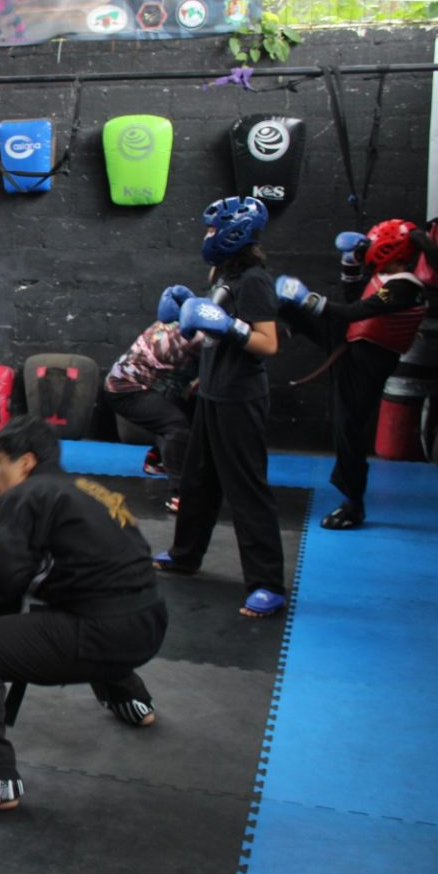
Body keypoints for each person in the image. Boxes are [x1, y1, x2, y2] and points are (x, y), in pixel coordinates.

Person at [0, 415, 167, 811]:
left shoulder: (25, 496)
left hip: (104, 633)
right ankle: (132, 700)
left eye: (0, 462)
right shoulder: (88, 489)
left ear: (26, 462)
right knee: (77, 597)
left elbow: (0, 587)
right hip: (150, 624)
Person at [153, 196, 288, 619]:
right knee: (198, 482)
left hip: (240, 397)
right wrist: (189, 308)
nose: (207, 236)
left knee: (246, 489)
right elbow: (212, 324)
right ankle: (186, 554)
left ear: (234, 233)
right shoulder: (224, 275)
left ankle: (267, 584)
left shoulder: (254, 280)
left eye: (213, 230)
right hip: (213, 392)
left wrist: (228, 326)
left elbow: (267, 343)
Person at [274, 222, 428, 530]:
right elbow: (356, 299)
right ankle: (280, 331)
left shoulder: (407, 286)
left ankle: (353, 505)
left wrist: (309, 300)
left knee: (349, 428)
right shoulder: (388, 278)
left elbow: (356, 311)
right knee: (286, 304)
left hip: (370, 361)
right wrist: (350, 266)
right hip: (353, 345)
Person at [101, 313, 204, 512]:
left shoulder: (186, 318)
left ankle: (155, 460)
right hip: (125, 389)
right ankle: (179, 495)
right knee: (176, 427)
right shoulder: (198, 337)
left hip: (149, 386)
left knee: (183, 415)